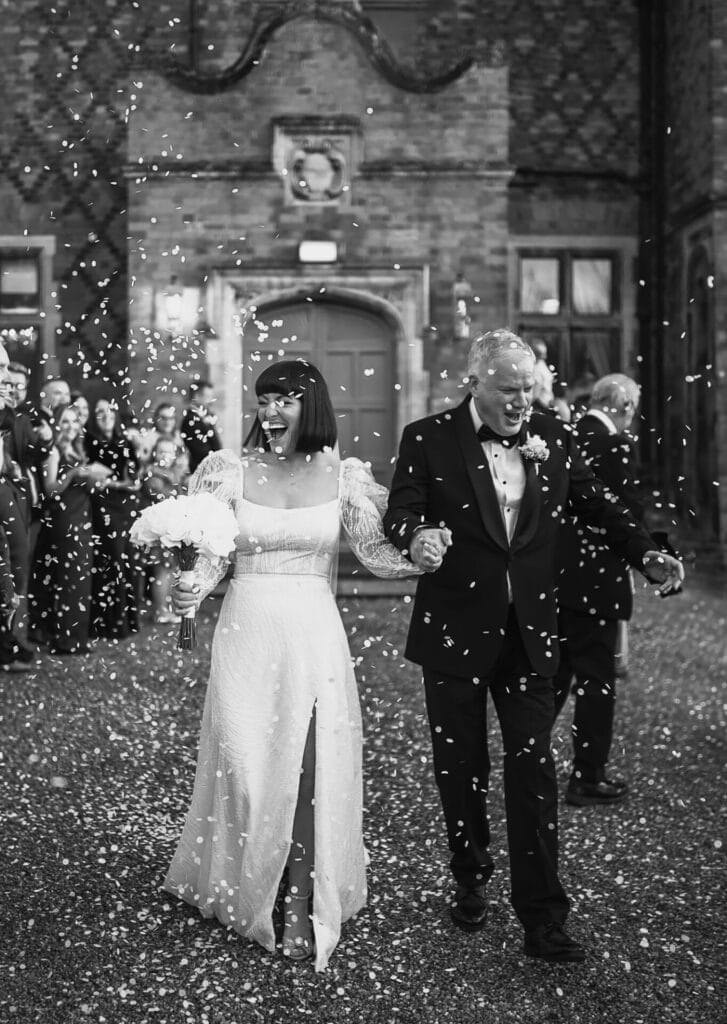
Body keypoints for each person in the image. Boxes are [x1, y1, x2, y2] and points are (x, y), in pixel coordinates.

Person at [383, 329, 684, 964]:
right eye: (509, 389)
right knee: (460, 768)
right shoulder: (426, 437)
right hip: (454, 633)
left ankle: (543, 916)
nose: (523, 401)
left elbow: (598, 504)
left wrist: (645, 553)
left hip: (531, 636)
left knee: (533, 768)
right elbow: (400, 510)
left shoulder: (556, 435)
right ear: (474, 383)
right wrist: (417, 537)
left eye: (529, 388)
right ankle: (470, 873)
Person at [168, 359, 438, 972]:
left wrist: (428, 554)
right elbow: (211, 558)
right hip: (247, 626)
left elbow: (377, 553)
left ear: (310, 406)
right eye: (264, 400)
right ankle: (245, 881)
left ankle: (299, 896)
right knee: (244, 758)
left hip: (313, 630)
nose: (271, 411)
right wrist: (192, 590)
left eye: (285, 400)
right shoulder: (226, 471)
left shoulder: (345, 475)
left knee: (310, 764)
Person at [554, 373, 654, 806]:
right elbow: (623, 512)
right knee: (597, 681)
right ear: (625, 406)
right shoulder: (614, 445)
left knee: (555, 676)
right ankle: (587, 776)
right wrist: (652, 555)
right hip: (596, 581)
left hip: (561, 578)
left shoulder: (569, 434)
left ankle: (526, 757)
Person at [30, 406, 108, 654]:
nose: (71, 426)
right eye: (66, 421)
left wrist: (94, 479)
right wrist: (74, 473)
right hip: (64, 519)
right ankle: (64, 639)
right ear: (56, 423)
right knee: (69, 577)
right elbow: (50, 489)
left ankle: (76, 637)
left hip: (82, 515)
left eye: (75, 421)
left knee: (81, 577)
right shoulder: (52, 451)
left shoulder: (78, 450)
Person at [85, 398, 141, 640]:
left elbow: (136, 477)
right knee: (109, 558)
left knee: (126, 558)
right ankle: (105, 622)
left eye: (109, 410)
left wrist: (116, 482)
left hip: (124, 505)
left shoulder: (125, 440)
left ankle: (125, 621)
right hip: (102, 505)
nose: (105, 415)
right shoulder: (89, 442)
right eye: (99, 412)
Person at [140, 436, 185, 624]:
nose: (165, 455)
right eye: (161, 451)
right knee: (161, 570)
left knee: (168, 569)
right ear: (154, 453)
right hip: (158, 529)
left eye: (169, 451)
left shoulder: (171, 473)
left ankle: (162, 609)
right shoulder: (153, 474)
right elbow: (161, 496)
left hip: (169, 527)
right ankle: (160, 610)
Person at [137, 401, 189, 480]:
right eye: (164, 418)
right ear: (156, 419)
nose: (168, 422)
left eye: (171, 418)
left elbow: (184, 465)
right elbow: (142, 465)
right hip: (155, 479)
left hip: (176, 480)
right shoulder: (148, 437)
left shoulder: (178, 437)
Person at [181, 379, 221, 473]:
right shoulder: (191, 420)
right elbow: (200, 450)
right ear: (196, 396)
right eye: (207, 396)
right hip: (201, 469)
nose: (211, 400)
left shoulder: (205, 416)